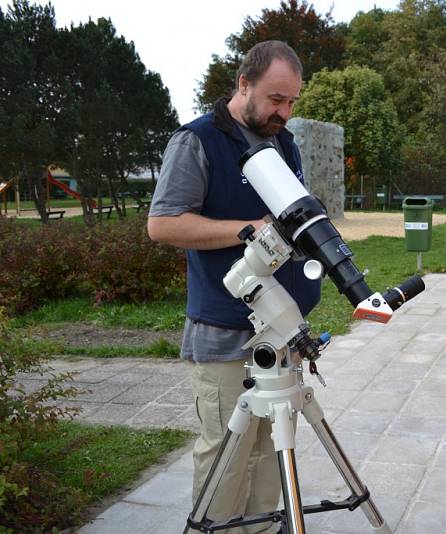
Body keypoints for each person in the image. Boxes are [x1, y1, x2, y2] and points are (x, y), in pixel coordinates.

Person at [147, 41, 321, 533]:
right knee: (228, 456)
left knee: (271, 455)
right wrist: (247, 230)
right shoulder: (196, 140)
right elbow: (162, 225)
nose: (284, 112)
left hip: (279, 327)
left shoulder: (282, 141)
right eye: (275, 99)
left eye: (292, 103)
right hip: (226, 331)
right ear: (243, 84)